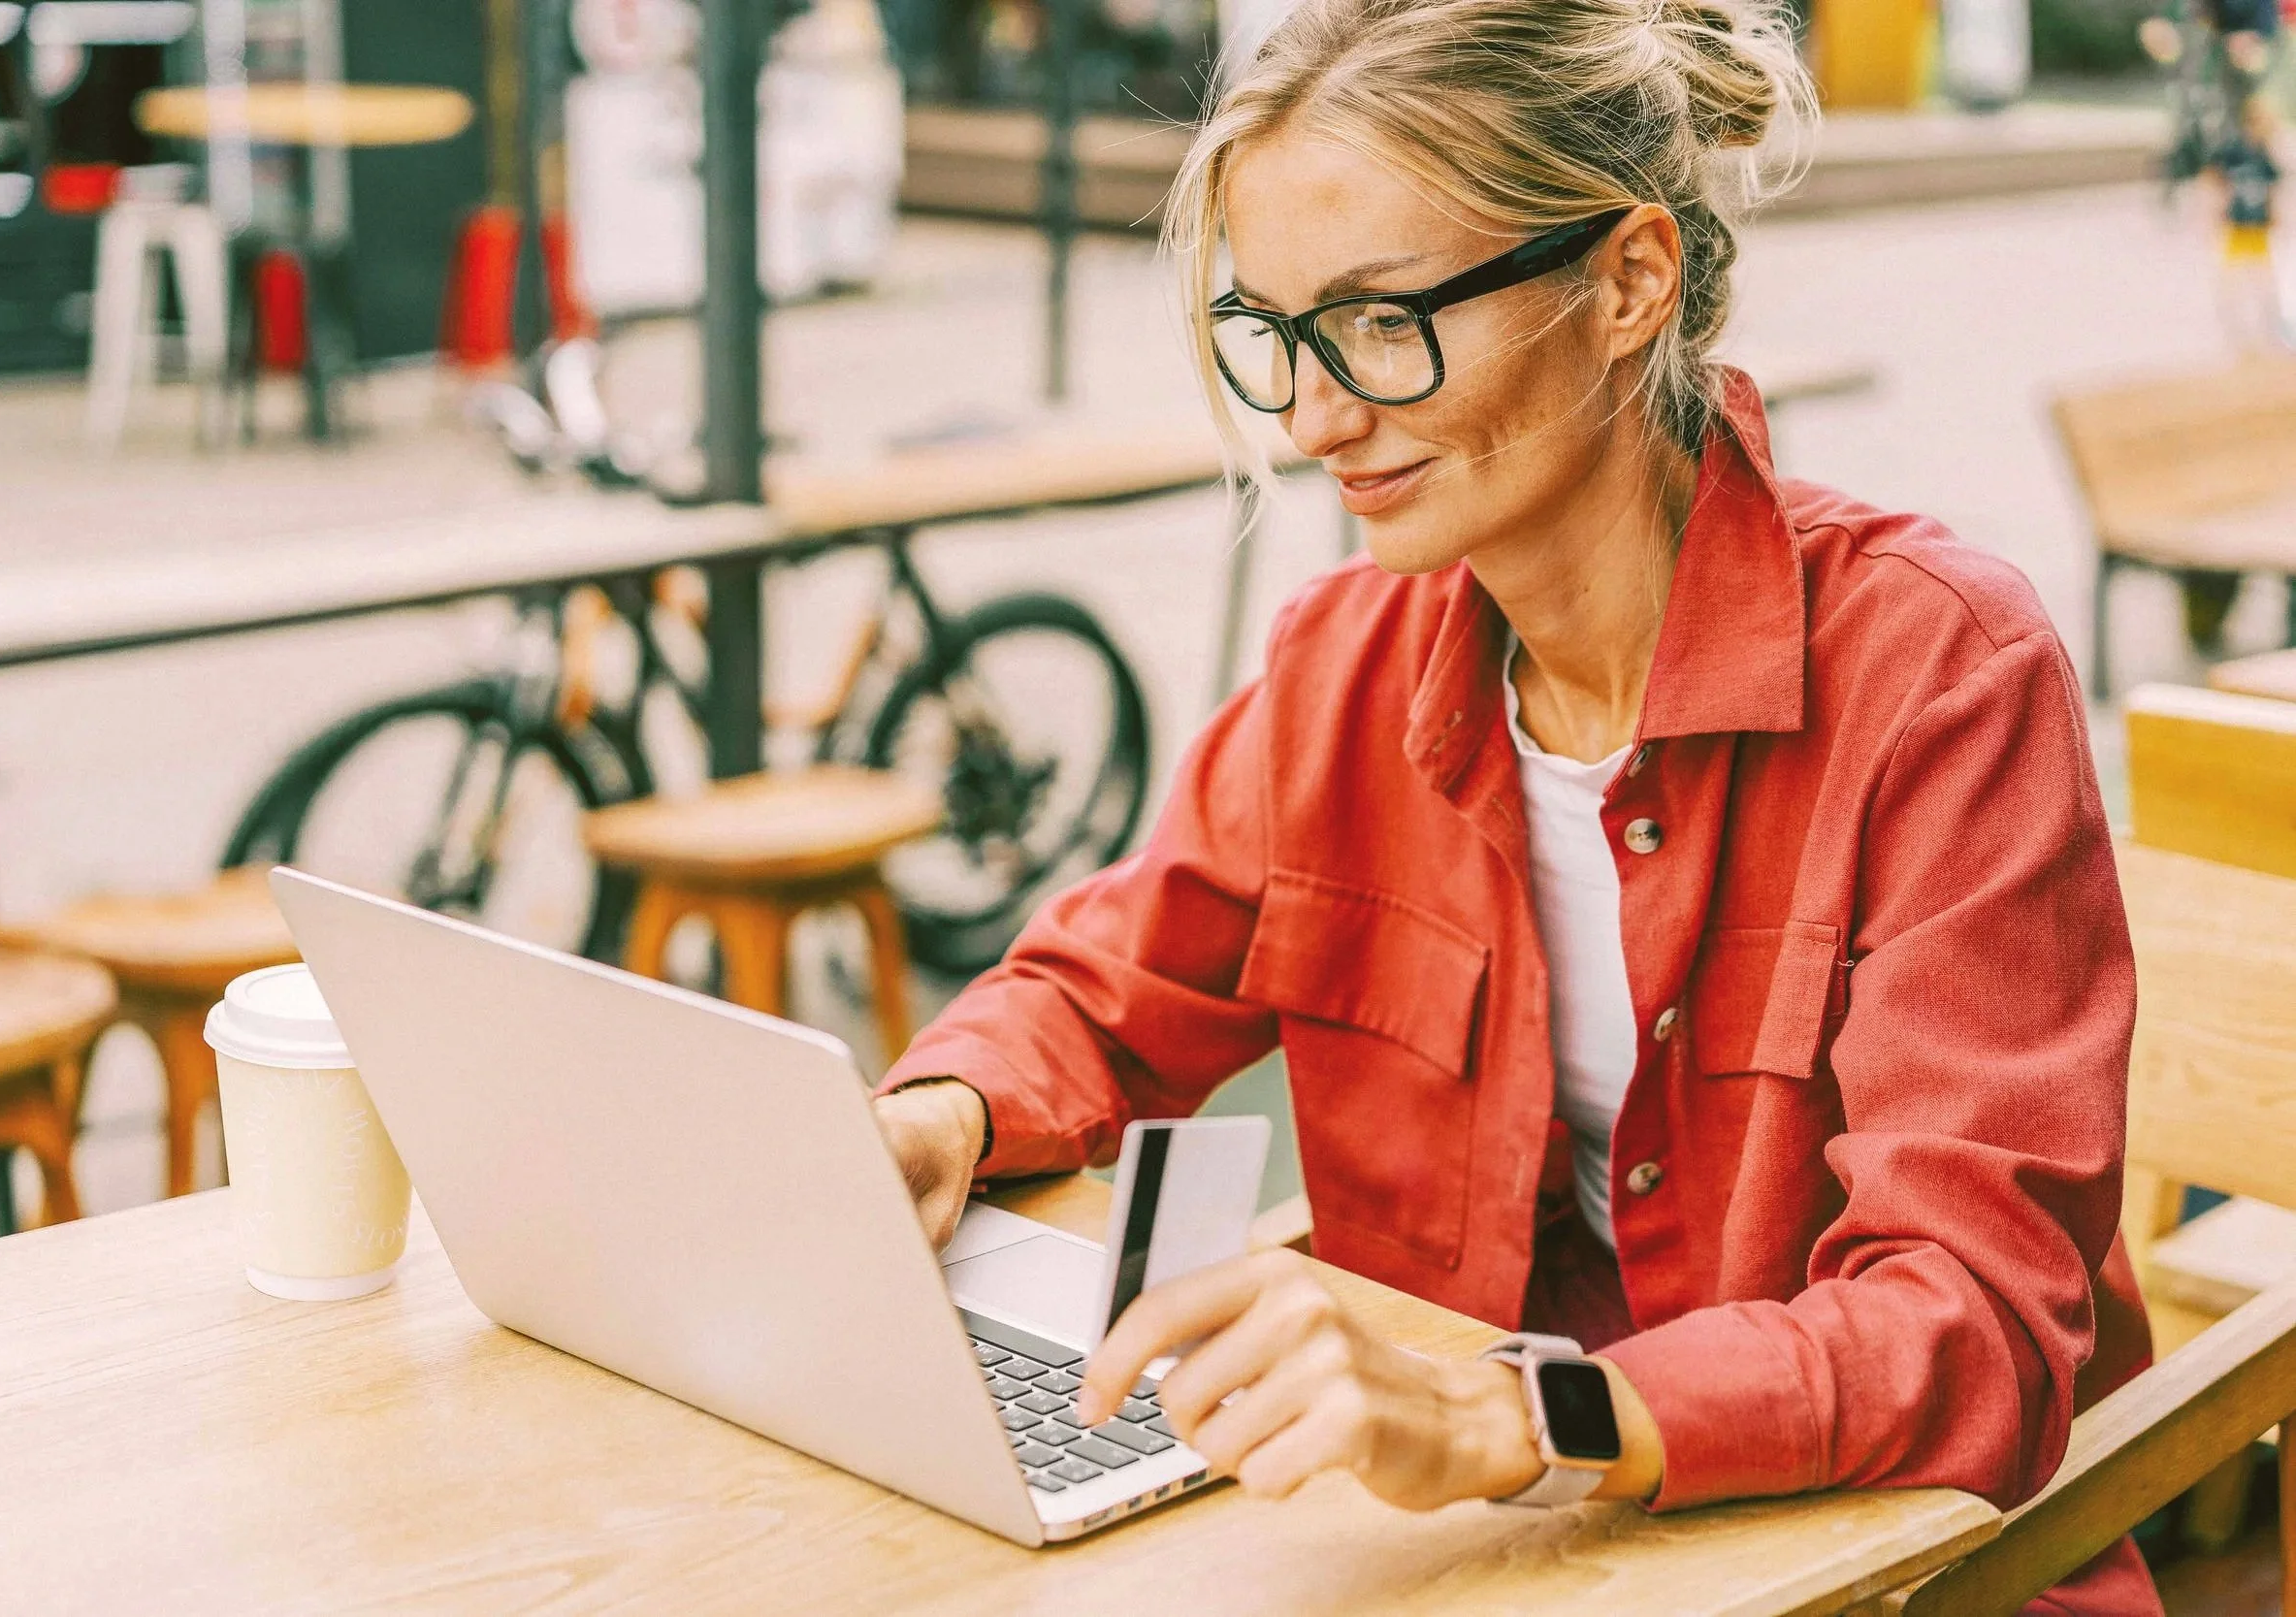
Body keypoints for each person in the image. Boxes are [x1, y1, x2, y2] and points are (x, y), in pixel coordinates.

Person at [870, 0, 2157, 1607]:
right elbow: (1101, 989)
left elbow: (1973, 1318)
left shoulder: (1940, 671)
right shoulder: (1342, 665)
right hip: (1500, 1549)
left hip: (1884, 1565)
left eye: (1382, 321)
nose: (1313, 419)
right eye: (1276, 332)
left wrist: (1514, 1413)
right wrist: (943, 1116)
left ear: (1629, 282)